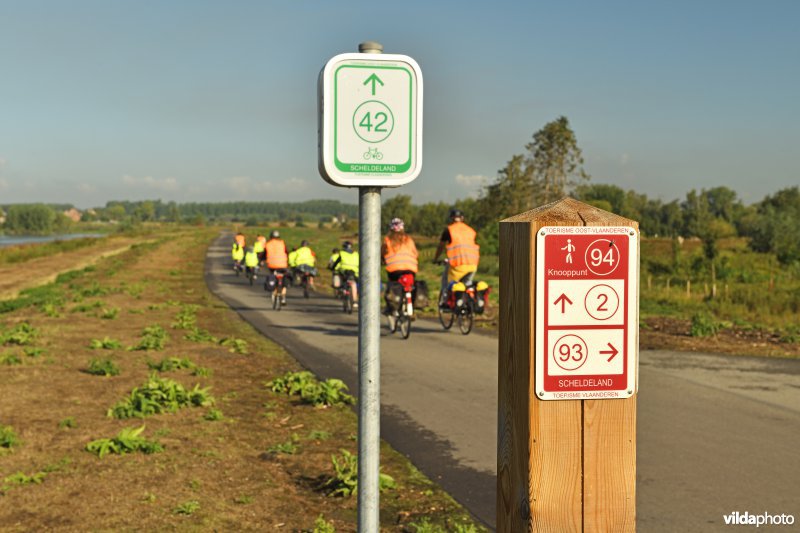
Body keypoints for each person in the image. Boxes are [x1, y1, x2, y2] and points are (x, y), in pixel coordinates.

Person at [432, 209, 480, 304]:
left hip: (457, 264)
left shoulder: (449, 230)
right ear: (462, 218)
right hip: (473, 263)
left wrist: (435, 259)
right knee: (467, 284)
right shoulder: (471, 230)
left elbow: (441, 246)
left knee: (447, 282)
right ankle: (469, 304)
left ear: (451, 218)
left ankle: (445, 300)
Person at [382, 217, 418, 316]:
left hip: (394, 269)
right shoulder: (409, 239)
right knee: (411, 285)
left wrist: (382, 260)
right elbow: (415, 253)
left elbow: (383, 252)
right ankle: (411, 305)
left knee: (392, 285)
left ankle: (390, 307)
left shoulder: (388, 240)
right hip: (410, 268)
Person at [264, 230, 289, 304]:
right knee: (284, 279)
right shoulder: (282, 243)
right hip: (282, 265)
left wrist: (261, 260)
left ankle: (274, 290)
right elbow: (287, 252)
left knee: (273, 276)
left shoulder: (268, 244)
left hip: (272, 265)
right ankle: (283, 296)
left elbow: (264, 254)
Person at [332, 241, 359, 306]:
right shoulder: (356, 254)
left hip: (344, 271)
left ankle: (342, 290)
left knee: (342, 279)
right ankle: (355, 300)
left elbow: (336, 262)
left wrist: (333, 267)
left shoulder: (342, 253)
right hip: (354, 271)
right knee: (353, 284)